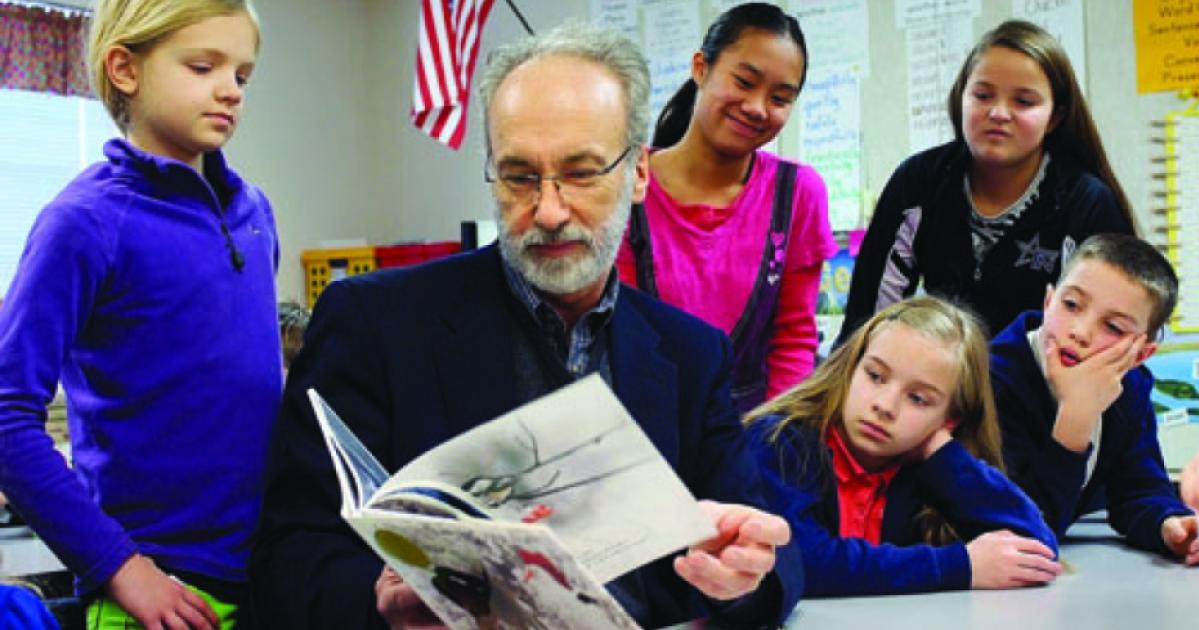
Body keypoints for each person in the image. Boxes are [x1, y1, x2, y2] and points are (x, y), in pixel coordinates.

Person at [251, 21, 802, 630]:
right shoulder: (374, 324)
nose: (548, 209)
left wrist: (744, 575)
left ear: (639, 173)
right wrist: (383, 599)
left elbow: (768, 549)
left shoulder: (691, 354)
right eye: (518, 176)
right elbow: (285, 561)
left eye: (582, 172)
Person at [0, 0, 280, 627]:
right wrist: (121, 568)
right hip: (155, 593)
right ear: (125, 69)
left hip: (265, 573)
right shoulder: (83, 223)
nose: (229, 91)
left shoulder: (255, 214)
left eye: (242, 75)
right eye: (203, 66)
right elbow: (6, 416)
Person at [839, 20, 1135, 343]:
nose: (998, 113)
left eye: (1023, 101)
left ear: (1055, 117)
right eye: (982, 95)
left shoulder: (1087, 204)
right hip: (942, 384)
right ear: (960, 97)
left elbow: (1113, 339)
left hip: (1047, 387)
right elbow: (866, 325)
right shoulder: (918, 182)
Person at [745, 296, 1060, 596]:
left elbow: (1036, 549)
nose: (885, 405)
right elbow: (797, 561)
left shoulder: (927, 464)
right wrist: (959, 566)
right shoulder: (781, 440)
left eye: (918, 399)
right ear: (851, 367)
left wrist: (946, 458)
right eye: (875, 376)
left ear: (950, 420)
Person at [617, 3, 836, 413]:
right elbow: (618, 334)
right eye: (744, 81)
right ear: (701, 67)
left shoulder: (799, 193)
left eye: (780, 98)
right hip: (648, 424)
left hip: (752, 433)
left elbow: (794, 342)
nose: (757, 107)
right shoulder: (628, 179)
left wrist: (767, 444)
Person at [991, 233, 1199, 566]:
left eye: (1114, 327)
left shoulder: (1130, 386)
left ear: (1140, 354)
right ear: (1048, 302)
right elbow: (1021, 529)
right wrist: (1076, 417)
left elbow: (1139, 488)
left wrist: (1169, 525)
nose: (1081, 332)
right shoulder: (992, 381)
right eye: (1071, 305)